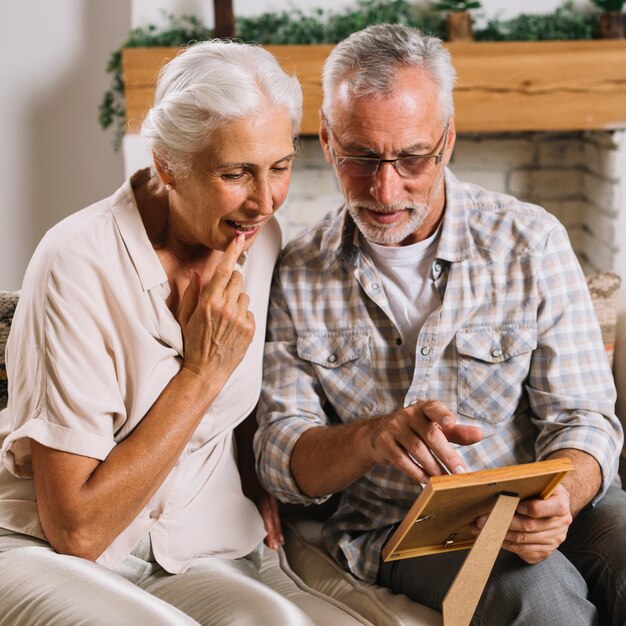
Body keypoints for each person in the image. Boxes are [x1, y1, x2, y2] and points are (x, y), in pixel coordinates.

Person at [254, 23, 626, 625]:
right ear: (326, 141)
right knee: (541, 596)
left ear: (446, 141)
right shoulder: (297, 269)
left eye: (412, 158)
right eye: (360, 157)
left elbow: (584, 417)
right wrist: (371, 437)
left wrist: (561, 497)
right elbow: (280, 456)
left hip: (536, 497)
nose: (384, 188)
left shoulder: (530, 241)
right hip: (402, 530)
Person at [0, 40, 363, 625]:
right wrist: (201, 372)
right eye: (235, 173)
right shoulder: (76, 262)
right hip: (55, 552)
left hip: (200, 550)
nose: (264, 201)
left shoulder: (256, 239)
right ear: (167, 163)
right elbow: (78, 530)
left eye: (280, 166)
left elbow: (246, 406)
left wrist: (253, 478)